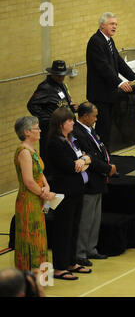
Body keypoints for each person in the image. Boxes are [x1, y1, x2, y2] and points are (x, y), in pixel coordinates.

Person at [46, 107, 92, 280]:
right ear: (60, 124)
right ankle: (59, 266)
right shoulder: (54, 143)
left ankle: (71, 262)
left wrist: (83, 160)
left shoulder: (73, 139)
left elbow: (88, 158)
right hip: (64, 192)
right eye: (69, 121)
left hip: (77, 190)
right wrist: (81, 162)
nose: (73, 122)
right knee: (63, 230)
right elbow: (69, 167)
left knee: (74, 228)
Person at [86, 12, 135, 148]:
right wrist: (120, 82)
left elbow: (119, 63)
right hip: (100, 95)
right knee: (102, 130)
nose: (115, 26)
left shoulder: (109, 40)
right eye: (112, 24)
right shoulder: (96, 41)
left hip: (109, 95)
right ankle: (102, 160)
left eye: (116, 24)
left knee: (108, 130)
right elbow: (103, 67)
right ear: (102, 25)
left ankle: (107, 158)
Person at [73, 102, 117, 267]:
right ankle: (80, 252)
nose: (96, 118)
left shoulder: (90, 130)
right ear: (85, 116)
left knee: (95, 218)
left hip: (98, 181)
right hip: (89, 181)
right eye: (94, 116)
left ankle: (91, 248)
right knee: (86, 219)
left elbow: (98, 151)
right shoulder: (78, 133)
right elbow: (90, 158)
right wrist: (107, 168)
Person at [13, 116, 56, 273]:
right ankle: (29, 277)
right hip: (28, 201)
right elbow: (29, 181)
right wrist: (44, 194)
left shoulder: (33, 150)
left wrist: (46, 185)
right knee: (30, 238)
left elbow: (39, 172)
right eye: (36, 128)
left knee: (39, 238)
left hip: (37, 198)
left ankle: (40, 277)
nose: (40, 130)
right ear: (27, 132)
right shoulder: (24, 152)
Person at [27, 60, 78, 165]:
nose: (61, 78)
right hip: (51, 130)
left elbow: (63, 103)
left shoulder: (61, 84)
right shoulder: (45, 87)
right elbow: (32, 105)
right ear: (52, 74)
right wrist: (48, 119)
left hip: (64, 127)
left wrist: (72, 108)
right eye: (58, 75)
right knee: (51, 158)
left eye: (63, 75)